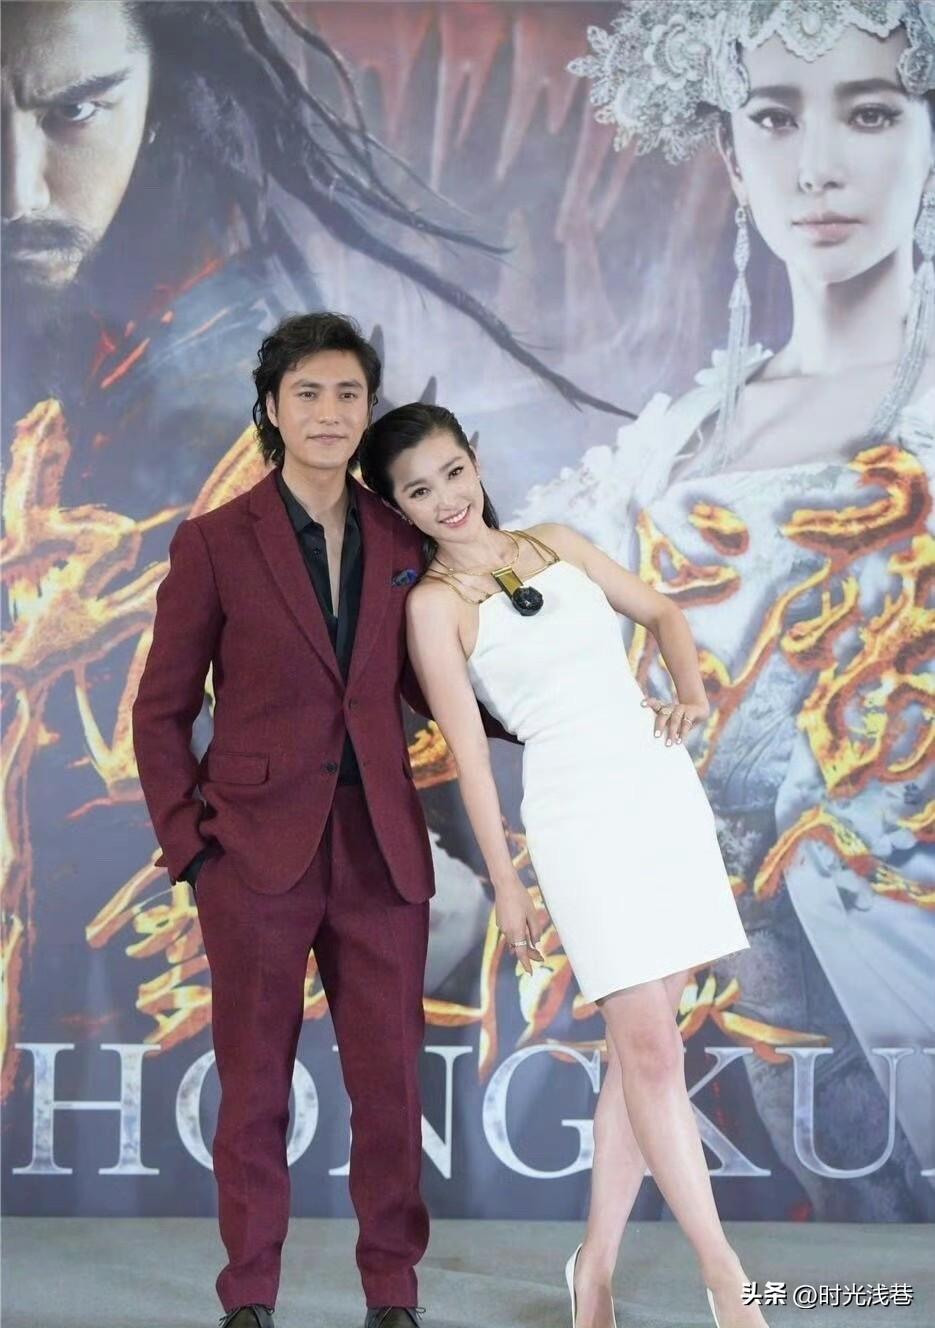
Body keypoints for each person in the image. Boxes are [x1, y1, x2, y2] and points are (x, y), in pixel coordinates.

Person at [513, 0, 935, 1220]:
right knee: (836, 1245)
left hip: (900, 940)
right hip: (738, 985)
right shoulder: (678, 442)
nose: (816, 166)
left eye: (869, 114)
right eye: (774, 118)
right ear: (729, 154)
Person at [132, 314, 508, 1328]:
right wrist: (191, 847)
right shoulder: (215, 542)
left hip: (383, 848)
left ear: (367, 409)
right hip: (252, 853)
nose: (330, 412)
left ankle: (392, 1292)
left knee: (390, 1091)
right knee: (254, 1090)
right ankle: (248, 1292)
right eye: (308, 393)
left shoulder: (402, 535)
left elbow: (433, 681)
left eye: (348, 394)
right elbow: (160, 710)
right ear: (271, 408)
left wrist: (551, 706)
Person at [360, 402, 761, 1328]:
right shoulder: (432, 608)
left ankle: (595, 1270)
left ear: (474, 461)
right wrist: (507, 883)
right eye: (418, 490)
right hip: (574, 814)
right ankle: (724, 1277)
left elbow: (662, 612)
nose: (446, 498)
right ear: (396, 507)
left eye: (452, 472)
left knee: (644, 1049)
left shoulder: (558, 542)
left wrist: (690, 694)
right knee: (650, 1047)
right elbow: (468, 757)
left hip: (657, 790)